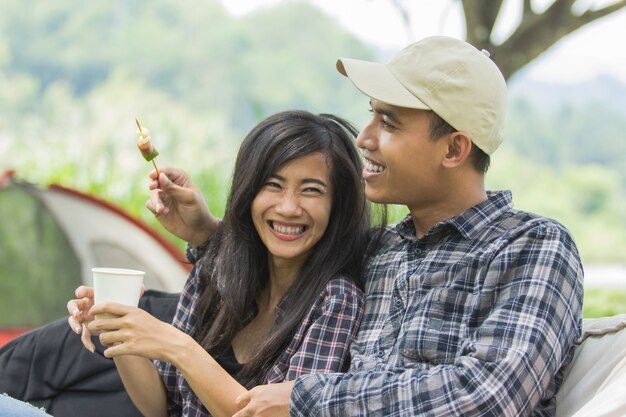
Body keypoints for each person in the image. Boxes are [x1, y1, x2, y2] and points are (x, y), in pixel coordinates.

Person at [157, 36, 584, 416]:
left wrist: (306, 399)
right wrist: (207, 234)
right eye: (372, 115)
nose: (364, 138)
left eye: (390, 123)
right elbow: (285, 261)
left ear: (454, 149)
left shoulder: (533, 247)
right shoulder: (378, 249)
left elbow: (489, 395)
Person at [66, 110, 371, 417]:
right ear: (248, 192)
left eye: (311, 190)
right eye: (273, 185)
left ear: (337, 206)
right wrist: (119, 324)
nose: (288, 207)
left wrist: (177, 346)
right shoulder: (219, 270)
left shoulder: (336, 300)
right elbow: (160, 406)